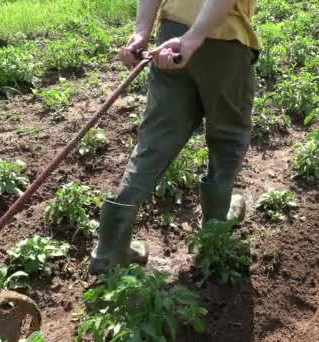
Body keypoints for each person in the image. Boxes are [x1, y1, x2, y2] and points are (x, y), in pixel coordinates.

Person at [89, 0, 259, 275]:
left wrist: (141, 32)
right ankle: (215, 228)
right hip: (222, 36)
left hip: (170, 36)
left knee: (155, 140)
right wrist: (194, 37)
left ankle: (110, 249)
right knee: (228, 135)